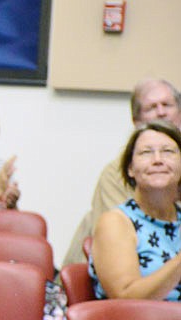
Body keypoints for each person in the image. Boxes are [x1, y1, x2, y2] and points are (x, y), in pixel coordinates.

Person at [63, 78, 181, 266]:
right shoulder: (116, 173)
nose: (161, 112)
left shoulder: (175, 168)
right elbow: (122, 239)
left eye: (167, 105)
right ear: (136, 121)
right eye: (151, 107)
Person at [90, 120, 181, 301]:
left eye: (168, 151)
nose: (157, 160)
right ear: (130, 168)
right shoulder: (116, 222)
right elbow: (126, 299)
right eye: (146, 153)